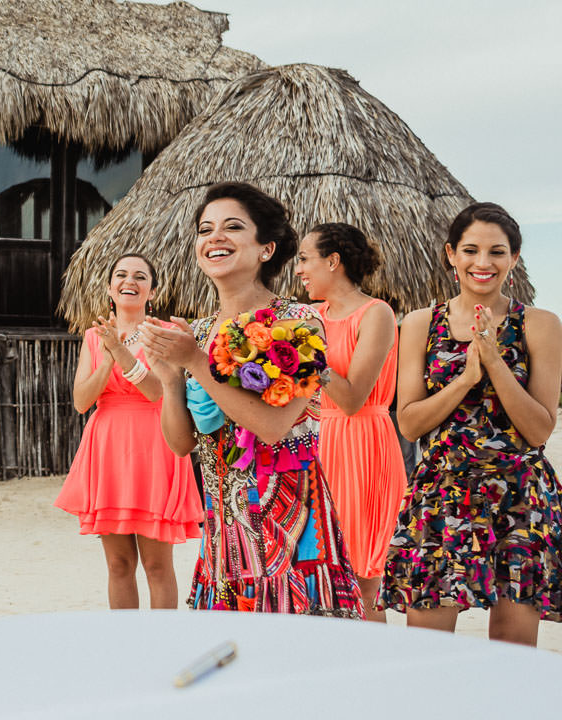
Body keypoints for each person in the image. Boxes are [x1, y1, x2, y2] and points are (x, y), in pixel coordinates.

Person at [140, 182, 363, 617]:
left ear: (266, 249)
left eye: (233, 227)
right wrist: (170, 378)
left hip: (289, 519)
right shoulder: (198, 331)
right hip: (223, 525)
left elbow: (272, 427)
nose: (215, 237)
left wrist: (195, 361)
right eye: (205, 229)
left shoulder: (299, 321)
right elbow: (182, 444)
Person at [380, 202, 562, 646]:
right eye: (471, 250)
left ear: (513, 258)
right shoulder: (421, 323)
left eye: (497, 252)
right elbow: (409, 423)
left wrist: (495, 363)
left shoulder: (539, 324)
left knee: (512, 653)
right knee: (427, 649)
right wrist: (465, 378)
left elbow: (539, 430)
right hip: (441, 494)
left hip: (519, 498)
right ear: (451, 254)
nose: (484, 262)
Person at [55, 253, 203, 609]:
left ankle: (161, 636)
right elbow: (81, 401)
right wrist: (107, 358)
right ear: (110, 288)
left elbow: (156, 392)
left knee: (157, 565)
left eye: (140, 276)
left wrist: (120, 351)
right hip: (108, 448)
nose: (129, 282)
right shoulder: (95, 336)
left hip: (156, 443)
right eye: (121, 275)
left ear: (152, 290)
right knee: (118, 564)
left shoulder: (163, 334)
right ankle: (125, 637)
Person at [294, 222, 405, 622]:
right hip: (313, 442)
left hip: (362, 444)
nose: (298, 270)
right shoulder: (310, 316)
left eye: (304, 259)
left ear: (333, 261)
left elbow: (353, 398)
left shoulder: (376, 314)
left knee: (361, 579)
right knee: (313, 574)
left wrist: (305, 355)